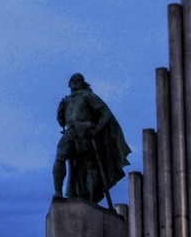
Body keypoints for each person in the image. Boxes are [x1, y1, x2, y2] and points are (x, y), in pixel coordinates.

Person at [53, 73, 132, 205]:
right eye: (73, 80)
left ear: (83, 83)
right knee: (60, 158)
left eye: (78, 80)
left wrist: (97, 129)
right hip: (71, 132)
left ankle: (91, 198)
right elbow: (62, 122)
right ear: (69, 83)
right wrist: (60, 111)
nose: (75, 82)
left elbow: (105, 113)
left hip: (85, 131)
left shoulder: (88, 95)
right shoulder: (67, 100)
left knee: (89, 163)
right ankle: (58, 192)